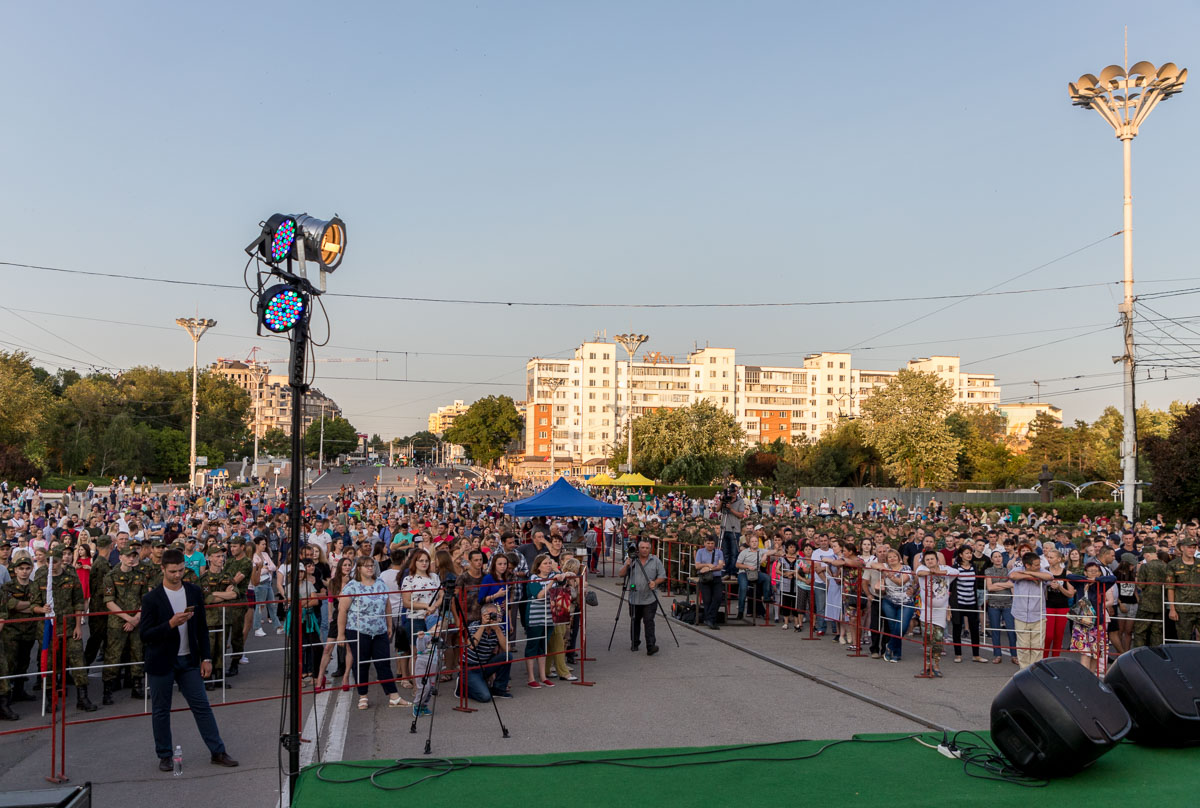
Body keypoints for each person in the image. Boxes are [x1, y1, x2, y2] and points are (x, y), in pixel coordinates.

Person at [138, 548, 238, 771]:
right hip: (161, 661)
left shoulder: (193, 591)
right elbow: (145, 634)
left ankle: (218, 751)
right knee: (161, 710)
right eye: (173, 571)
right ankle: (165, 754)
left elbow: (202, 627)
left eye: (181, 570)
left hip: (189, 660)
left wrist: (207, 658)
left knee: (202, 706)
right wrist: (170, 624)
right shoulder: (151, 598)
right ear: (163, 569)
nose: (177, 575)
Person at [337, 557, 410, 710]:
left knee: (383, 662)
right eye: (366, 566)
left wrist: (389, 625)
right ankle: (363, 695)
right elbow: (342, 610)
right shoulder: (352, 586)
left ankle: (394, 696)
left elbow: (387, 605)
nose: (370, 568)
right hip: (358, 630)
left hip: (380, 630)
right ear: (359, 569)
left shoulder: (380, 583)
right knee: (361, 663)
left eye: (372, 565)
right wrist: (341, 634)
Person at [102, 543, 146, 704]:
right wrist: (129, 619)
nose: (131, 559)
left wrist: (136, 619)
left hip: (137, 620)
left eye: (134, 556)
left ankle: (137, 686)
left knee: (137, 653)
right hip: (118, 622)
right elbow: (109, 602)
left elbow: (144, 599)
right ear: (120, 557)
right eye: (128, 556)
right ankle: (107, 689)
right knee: (113, 655)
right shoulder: (111, 576)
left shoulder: (140, 576)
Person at [619, 538, 666, 656]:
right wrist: (627, 565)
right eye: (642, 548)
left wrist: (655, 582)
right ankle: (634, 643)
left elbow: (662, 576)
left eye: (647, 548)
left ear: (650, 549)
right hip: (634, 597)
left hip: (650, 597)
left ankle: (651, 646)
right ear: (638, 549)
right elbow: (621, 574)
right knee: (634, 620)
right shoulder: (632, 560)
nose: (644, 550)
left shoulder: (655, 560)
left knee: (649, 621)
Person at [916, 549, 958, 677]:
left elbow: (956, 572)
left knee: (938, 639)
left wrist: (940, 572)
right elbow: (919, 573)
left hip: (941, 610)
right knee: (927, 639)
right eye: (927, 560)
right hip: (926, 610)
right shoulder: (922, 568)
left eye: (932, 559)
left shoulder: (945, 568)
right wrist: (932, 572)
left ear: (937, 560)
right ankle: (927, 665)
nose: (930, 561)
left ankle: (936, 665)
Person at [460, 602, 512, 702]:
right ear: (482, 615)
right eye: (489, 614)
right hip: (470, 667)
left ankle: (499, 689)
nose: (492, 617)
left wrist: (497, 629)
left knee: (507, 656)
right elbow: (472, 645)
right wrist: (483, 625)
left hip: (485, 665)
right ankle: (462, 686)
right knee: (485, 697)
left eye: (494, 615)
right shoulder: (474, 625)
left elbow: (507, 649)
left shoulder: (498, 627)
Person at [1010, 552, 1053, 670]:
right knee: (1023, 647)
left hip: (1038, 614)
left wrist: (1029, 573)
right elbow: (1012, 576)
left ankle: (1035, 672)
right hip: (1020, 614)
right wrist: (1032, 577)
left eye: (1039, 564)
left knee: (1037, 647)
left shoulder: (1042, 571)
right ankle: (1024, 671)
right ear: (1027, 565)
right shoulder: (1017, 569)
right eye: (1036, 565)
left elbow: (1050, 577)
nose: (1039, 566)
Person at [949, 546, 986, 664]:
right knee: (957, 628)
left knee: (974, 629)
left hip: (971, 602)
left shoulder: (973, 566)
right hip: (958, 602)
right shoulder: (955, 568)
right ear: (961, 555)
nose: (969, 555)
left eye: (970, 553)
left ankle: (976, 655)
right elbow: (951, 585)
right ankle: (958, 654)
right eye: (967, 553)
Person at [983, 550, 1018, 665]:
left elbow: (1012, 584)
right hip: (993, 604)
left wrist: (997, 584)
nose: (998, 558)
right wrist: (1004, 585)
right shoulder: (988, 571)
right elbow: (990, 587)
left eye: (999, 556)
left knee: (1011, 630)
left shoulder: (1008, 570)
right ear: (991, 559)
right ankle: (997, 655)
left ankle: (1014, 655)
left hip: (1008, 604)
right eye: (995, 557)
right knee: (995, 630)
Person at [1167, 537, 1200, 643]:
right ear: (1182, 548)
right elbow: (1170, 587)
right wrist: (1172, 609)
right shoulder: (1173, 565)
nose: (1192, 550)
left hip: (1199, 606)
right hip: (1183, 609)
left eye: (1194, 547)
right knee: (1184, 641)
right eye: (1189, 547)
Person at [694, 534, 725, 630]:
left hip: (716, 577)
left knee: (718, 598)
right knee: (707, 600)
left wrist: (709, 569)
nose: (710, 545)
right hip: (705, 578)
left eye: (712, 543)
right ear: (704, 543)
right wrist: (708, 565)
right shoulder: (700, 552)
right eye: (708, 543)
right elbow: (697, 566)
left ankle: (710, 618)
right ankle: (710, 620)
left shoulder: (719, 552)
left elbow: (720, 566)